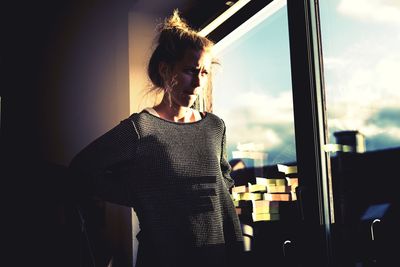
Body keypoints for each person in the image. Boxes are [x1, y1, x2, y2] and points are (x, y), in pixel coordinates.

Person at [69, 9, 244, 267]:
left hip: (218, 257)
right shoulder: (140, 128)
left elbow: (223, 184)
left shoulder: (215, 127)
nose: (197, 83)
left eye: (204, 73)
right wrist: (142, 194)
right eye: (190, 71)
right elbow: (81, 170)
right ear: (165, 70)